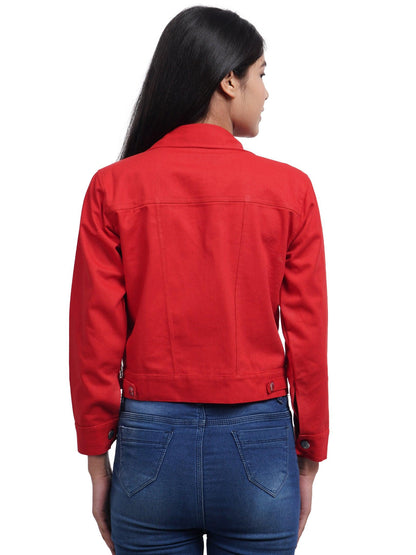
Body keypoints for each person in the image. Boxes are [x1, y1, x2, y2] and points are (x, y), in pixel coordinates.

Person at [69, 6, 329, 554]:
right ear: (229, 80)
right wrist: (309, 455)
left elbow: (95, 337)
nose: (266, 92)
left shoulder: (112, 188)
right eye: (261, 73)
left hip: (148, 450)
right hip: (259, 448)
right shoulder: (290, 191)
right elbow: (307, 337)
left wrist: (97, 462)